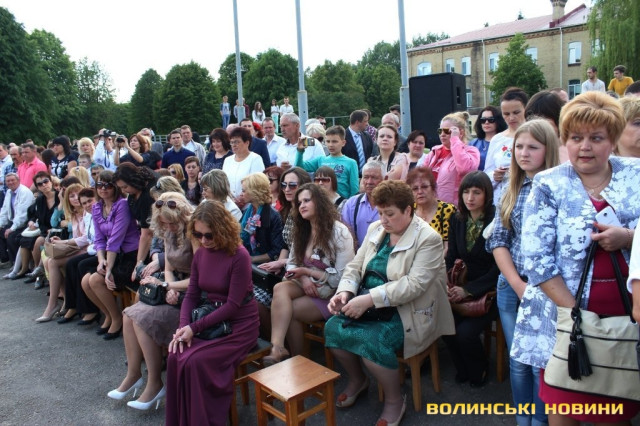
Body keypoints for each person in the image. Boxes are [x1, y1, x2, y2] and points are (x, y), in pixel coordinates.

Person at [511, 92, 640, 424]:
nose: (585, 147)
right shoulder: (548, 183)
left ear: (613, 140)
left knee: (616, 404)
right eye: (575, 138)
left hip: (625, 316)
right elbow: (536, 258)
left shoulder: (636, 174)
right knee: (563, 406)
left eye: (596, 138)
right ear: (564, 141)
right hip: (564, 320)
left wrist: (628, 237)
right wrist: (575, 316)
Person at [325, 180, 454, 426]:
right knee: (333, 328)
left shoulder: (428, 238)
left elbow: (414, 286)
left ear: (408, 210)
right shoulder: (376, 229)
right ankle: (358, 380)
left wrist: (369, 299)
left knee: (373, 341)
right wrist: (345, 292)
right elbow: (355, 266)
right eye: (380, 212)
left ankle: (395, 399)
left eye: (390, 214)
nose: (383, 219)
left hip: (408, 312)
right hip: (368, 303)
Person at [486, 119, 560, 426]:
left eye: (533, 147)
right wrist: (517, 284)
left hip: (549, 289)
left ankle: (541, 420)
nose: (524, 153)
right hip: (512, 285)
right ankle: (523, 419)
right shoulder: (511, 187)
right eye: (519, 146)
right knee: (518, 360)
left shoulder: (560, 186)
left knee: (542, 363)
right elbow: (498, 239)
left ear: (548, 149)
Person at [165, 201, 259, 426]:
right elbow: (191, 294)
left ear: (223, 229)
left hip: (239, 325)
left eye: (209, 235)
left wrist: (193, 327)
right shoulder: (201, 254)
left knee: (196, 361)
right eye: (198, 235)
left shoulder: (240, 255)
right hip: (210, 318)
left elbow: (233, 305)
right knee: (175, 354)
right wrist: (183, 326)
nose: (204, 240)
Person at [108, 193, 194, 411]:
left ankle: (155, 383)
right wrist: (169, 286)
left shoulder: (194, 234)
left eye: (172, 223)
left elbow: (200, 278)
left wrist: (168, 285)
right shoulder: (169, 233)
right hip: (175, 289)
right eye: (164, 223)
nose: (169, 227)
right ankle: (134, 375)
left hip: (194, 296)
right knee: (128, 315)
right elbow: (169, 268)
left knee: (141, 318)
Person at [263, 183, 354, 364]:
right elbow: (291, 263)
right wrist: (304, 278)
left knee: (292, 310)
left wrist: (305, 271)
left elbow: (341, 278)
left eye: (306, 201)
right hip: (307, 284)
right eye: (299, 203)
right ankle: (278, 347)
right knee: (280, 288)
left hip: (331, 291)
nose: (302, 205)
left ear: (319, 202)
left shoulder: (339, 232)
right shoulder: (303, 229)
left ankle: (298, 360)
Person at [442, 171, 498, 388]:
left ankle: (479, 368)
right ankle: (462, 367)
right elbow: (451, 256)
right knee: (446, 326)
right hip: (459, 287)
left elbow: (499, 268)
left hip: (488, 291)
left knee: (465, 333)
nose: (470, 198)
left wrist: (469, 290)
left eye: (477, 192)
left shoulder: (497, 220)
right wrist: (450, 285)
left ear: (487, 194)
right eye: (466, 192)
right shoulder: (457, 219)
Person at [82, 170, 140, 341]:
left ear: (115, 187)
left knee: (95, 280)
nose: (103, 188)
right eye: (99, 185)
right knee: (86, 281)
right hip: (112, 254)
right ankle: (109, 315)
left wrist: (109, 269)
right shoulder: (96, 207)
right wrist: (101, 261)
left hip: (130, 255)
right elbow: (99, 239)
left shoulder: (122, 205)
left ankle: (117, 319)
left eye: (108, 185)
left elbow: (115, 239)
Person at [420, 112, 480, 206]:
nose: (442, 134)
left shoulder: (471, 151)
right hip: (432, 207)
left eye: (447, 131)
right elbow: (421, 176)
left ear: (461, 133)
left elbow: (464, 169)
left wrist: (455, 140)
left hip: (454, 208)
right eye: (440, 131)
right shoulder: (434, 152)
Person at [113, 163, 157, 285]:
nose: (123, 191)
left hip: (155, 240)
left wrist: (139, 263)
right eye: (121, 188)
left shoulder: (148, 196)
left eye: (125, 187)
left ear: (134, 180)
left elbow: (147, 234)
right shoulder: (138, 186)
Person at [484, 87, 529, 205]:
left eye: (516, 112)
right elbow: (487, 172)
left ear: (526, 109)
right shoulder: (497, 139)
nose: (511, 118)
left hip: (526, 197)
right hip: (501, 200)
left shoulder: (535, 135)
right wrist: (495, 175)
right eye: (506, 114)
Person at [10, 171, 58, 280]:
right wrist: (45, 230)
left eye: (46, 181)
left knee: (39, 240)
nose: (44, 185)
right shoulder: (40, 200)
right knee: (37, 241)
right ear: (37, 187)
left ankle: (38, 271)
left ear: (51, 181)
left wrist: (51, 230)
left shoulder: (60, 196)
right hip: (46, 230)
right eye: (40, 184)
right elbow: (40, 220)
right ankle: (37, 271)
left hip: (59, 229)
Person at [294, 125, 359, 199]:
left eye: (334, 141)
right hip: (323, 202)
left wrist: (352, 204)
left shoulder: (351, 163)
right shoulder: (320, 160)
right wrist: (300, 151)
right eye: (328, 141)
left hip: (342, 203)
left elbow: (354, 190)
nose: (331, 145)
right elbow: (299, 168)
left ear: (343, 143)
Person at [406, 167, 456, 255]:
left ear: (433, 188)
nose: (420, 191)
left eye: (424, 187)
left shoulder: (447, 210)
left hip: (438, 259)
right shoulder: (409, 210)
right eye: (415, 188)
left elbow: (447, 247)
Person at [239, 173, 284, 265]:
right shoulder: (247, 212)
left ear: (254, 192)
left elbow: (276, 251)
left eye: (243, 191)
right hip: (246, 258)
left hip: (264, 266)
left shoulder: (273, 216)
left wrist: (251, 259)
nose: (241, 194)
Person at [341, 161, 384, 249]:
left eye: (374, 178)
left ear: (384, 179)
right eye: (366, 177)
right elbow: (346, 234)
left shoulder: (392, 204)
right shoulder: (351, 203)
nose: (369, 182)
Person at [222, 126, 265, 204]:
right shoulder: (227, 160)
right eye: (232, 142)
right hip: (230, 204)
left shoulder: (255, 159)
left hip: (249, 205)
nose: (234, 145)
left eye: (237, 142)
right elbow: (224, 183)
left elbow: (256, 184)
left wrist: (241, 201)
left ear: (247, 143)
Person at [0, 173, 34, 271]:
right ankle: (6, 260)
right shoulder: (9, 192)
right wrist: (0, 224)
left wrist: (12, 228)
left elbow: (22, 214)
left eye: (12, 180)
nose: (10, 182)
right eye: (8, 181)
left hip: (25, 223)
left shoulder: (24, 192)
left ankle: (19, 264)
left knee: (11, 236)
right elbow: (4, 210)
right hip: (13, 221)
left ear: (18, 180)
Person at [469, 106, 508, 170]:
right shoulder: (473, 144)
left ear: (498, 121)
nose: (486, 122)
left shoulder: (505, 142)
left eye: (491, 120)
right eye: (483, 120)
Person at [343, 110, 378, 175]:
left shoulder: (367, 136)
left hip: (366, 176)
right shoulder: (343, 137)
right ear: (357, 122)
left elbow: (372, 154)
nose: (367, 124)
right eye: (365, 121)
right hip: (349, 175)